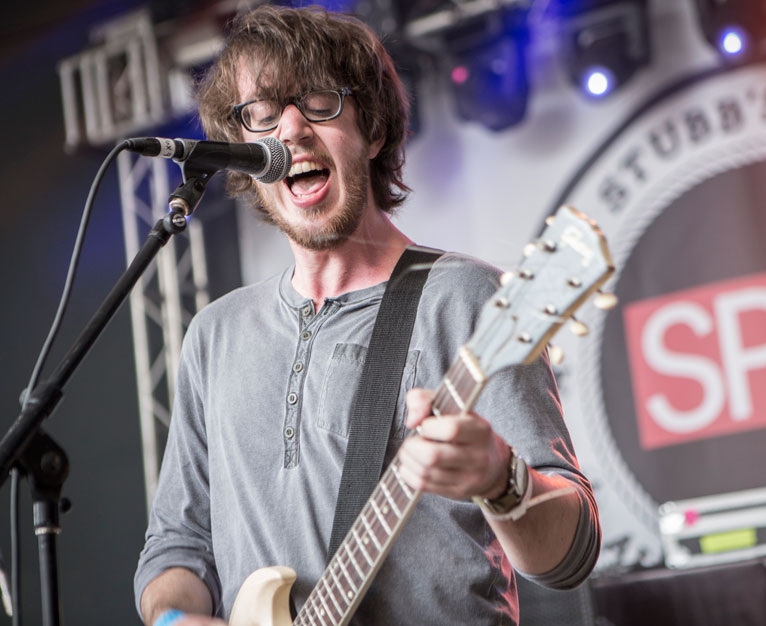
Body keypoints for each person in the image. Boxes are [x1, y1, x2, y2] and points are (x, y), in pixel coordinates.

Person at [133, 5, 601, 625]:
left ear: (373, 131)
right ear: (242, 150)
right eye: (263, 115)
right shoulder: (215, 334)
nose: (291, 131)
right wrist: (174, 619)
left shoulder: (469, 298)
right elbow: (178, 545)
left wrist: (501, 478)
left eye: (319, 102)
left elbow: (569, 556)